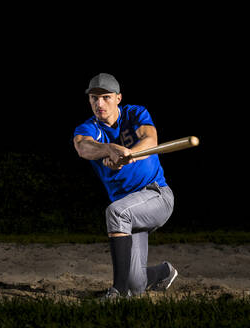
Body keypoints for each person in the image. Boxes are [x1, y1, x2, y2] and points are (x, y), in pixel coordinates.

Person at [73, 73, 178, 299]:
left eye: (106, 97)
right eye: (94, 98)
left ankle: (118, 293)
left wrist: (130, 153)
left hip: (156, 195)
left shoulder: (135, 113)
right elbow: (84, 148)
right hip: (129, 208)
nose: (99, 104)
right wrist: (109, 149)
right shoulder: (88, 128)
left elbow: (150, 139)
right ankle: (164, 272)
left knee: (116, 212)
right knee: (136, 284)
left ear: (118, 98)